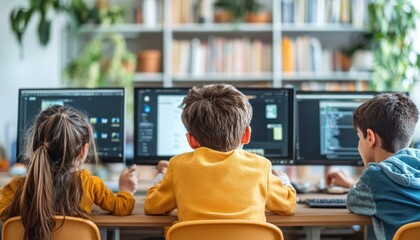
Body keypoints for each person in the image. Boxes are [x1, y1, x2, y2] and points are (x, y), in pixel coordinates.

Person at [144, 83, 296, 222]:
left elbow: (152, 206)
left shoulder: (178, 166)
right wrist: (284, 180)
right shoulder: (261, 166)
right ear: (246, 135)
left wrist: (161, 176)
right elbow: (288, 206)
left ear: (191, 140)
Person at [0, 105, 137, 240]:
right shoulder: (89, 183)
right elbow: (121, 207)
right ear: (84, 150)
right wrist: (126, 190)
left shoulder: (16, 187)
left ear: (36, 145)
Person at [327, 93, 420, 240]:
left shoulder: (374, 176)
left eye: (359, 137)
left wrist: (357, 183)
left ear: (370, 137)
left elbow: (352, 202)